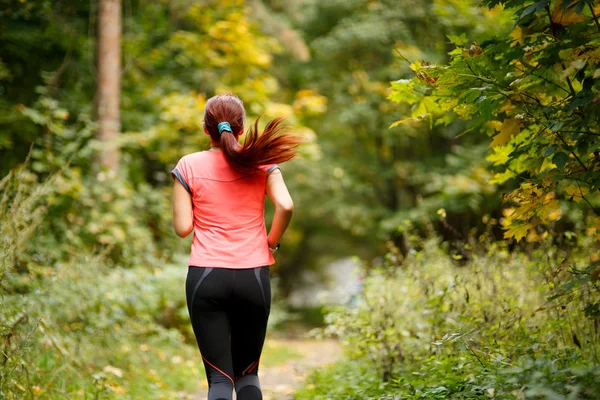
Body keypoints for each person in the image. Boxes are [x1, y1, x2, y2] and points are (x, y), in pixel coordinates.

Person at [170, 94, 301, 400]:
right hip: (252, 275)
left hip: (206, 275)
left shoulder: (188, 165)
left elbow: (182, 228)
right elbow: (286, 205)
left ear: (206, 129)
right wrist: (270, 242)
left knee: (219, 380)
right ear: (240, 129)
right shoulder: (262, 163)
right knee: (247, 376)